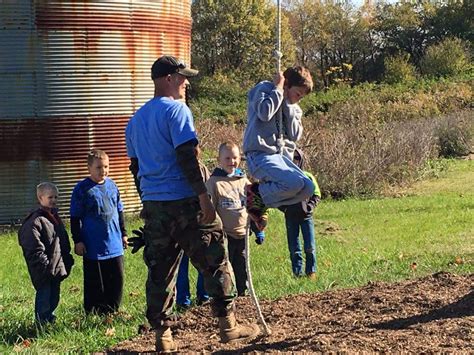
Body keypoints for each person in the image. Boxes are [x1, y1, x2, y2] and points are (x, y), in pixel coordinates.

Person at [125, 55, 259, 352]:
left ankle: (163, 335)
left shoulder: (134, 122)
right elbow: (188, 157)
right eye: (183, 77)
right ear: (169, 79)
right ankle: (229, 326)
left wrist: (147, 201)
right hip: (185, 201)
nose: (186, 83)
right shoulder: (177, 111)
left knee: (160, 270)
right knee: (214, 257)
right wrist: (203, 197)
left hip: (155, 206)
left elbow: (136, 169)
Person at [242, 66, 315, 231]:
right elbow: (264, 113)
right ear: (287, 84)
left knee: (308, 188)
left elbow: (295, 135)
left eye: (302, 97)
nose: (298, 100)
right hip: (261, 154)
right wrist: (278, 89)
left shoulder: (293, 106)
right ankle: (255, 194)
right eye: (297, 94)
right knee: (294, 183)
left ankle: (259, 201)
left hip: (281, 158)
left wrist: (289, 107)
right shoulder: (265, 89)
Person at [70, 149, 128, 315]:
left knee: (117, 279)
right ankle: (94, 312)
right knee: (96, 282)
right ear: (89, 168)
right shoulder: (82, 189)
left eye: (106, 166)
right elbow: (75, 217)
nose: (104, 170)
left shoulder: (112, 185)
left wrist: (123, 233)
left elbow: (119, 210)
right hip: (93, 245)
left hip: (114, 243)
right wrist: (78, 240)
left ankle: (113, 310)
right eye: (99, 167)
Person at [207, 142, 263, 296]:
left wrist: (257, 230)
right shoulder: (214, 183)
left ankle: (243, 293)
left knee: (242, 265)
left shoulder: (244, 182)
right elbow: (209, 210)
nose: (232, 161)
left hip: (242, 234)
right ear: (219, 160)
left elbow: (254, 208)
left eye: (235, 158)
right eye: (227, 158)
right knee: (225, 267)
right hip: (224, 235)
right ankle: (226, 294)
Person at [18, 182, 74, 325]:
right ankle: (41, 323)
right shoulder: (35, 221)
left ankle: (50, 319)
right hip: (44, 269)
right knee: (44, 297)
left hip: (56, 266)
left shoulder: (54, 217)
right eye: (50, 197)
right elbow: (33, 247)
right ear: (40, 198)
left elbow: (62, 240)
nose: (54, 200)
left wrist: (67, 259)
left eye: (56, 197)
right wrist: (44, 265)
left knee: (54, 297)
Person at [278, 149, 321, 279]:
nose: (294, 161)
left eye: (296, 158)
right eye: (291, 158)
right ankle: (297, 273)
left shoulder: (308, 176)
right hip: (290, 217)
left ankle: (311, 272)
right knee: (294, 248)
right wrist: (284, 209)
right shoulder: (283, 178)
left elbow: (317, 194)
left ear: (301, 159)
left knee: (310, 246)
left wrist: (310, 207)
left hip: (306, 217)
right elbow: (276, 196)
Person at [176, 147, 210, 309]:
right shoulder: (174, 168)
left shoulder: (202, 168)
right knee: (181, 265)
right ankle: (183, 300)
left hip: (199, 222)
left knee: (203, 262)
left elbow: (209, 192)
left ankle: (203, 296)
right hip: (179, 223)